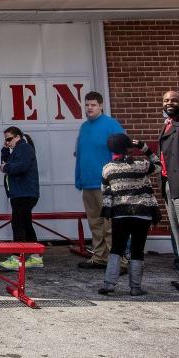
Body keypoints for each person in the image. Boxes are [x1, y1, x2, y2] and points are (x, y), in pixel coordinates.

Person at [98, 133, 161, 296]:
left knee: (117, 249)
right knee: (137, 250)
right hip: (142, 214)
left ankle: (109, 284)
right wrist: (143, 147)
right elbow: (159, 164)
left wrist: (108, 213)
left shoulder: (107, 168)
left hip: (120, 215)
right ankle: (135, 288)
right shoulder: (142, 165)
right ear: (128, 148)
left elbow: (106, 193)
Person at [75, 91, 124, 269]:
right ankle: (100, 257)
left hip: (107, 183)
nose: (89, 108)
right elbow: (80, 154)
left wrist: (115, 179)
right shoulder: (84, 127)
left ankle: (118, 261)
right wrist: (78, 178)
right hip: (88, 184)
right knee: (95, 223)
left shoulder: (111, 125)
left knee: (110, 224)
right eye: (87, 104)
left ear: (101, 106)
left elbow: (121, 151)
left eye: (93, 104)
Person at [0, 126, 43, 270]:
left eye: (9, 139)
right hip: (20, 193)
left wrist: (5, 168)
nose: (8, 142)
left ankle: (18, 257)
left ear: (18, 136)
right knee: (26, 223)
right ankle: (36, 256)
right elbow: (8, 162)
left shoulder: (24, 148)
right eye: (6, 140)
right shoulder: (17, 150)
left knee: (18, 224)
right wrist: (5, 150)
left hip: (24, 193)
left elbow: (20, 167)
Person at [160, 90, 179, 290]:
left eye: (173, 100)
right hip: (168, 183)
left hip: (178, 183)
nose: (169, 103)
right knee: (176, 230)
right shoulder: (167, 125)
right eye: (166, 100)